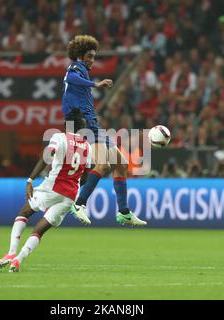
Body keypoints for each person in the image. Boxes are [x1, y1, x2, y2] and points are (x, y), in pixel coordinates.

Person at [62, 34, 147, 227]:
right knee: (103, 165)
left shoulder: (83, 69)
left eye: (94, 56)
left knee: (121, 163)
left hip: (93, 124)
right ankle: (79, 203)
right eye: (89, 56)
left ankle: (124, 212)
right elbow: (71, 77)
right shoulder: (76, 68)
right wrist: (96, 84)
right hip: (83, 124)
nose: (92, 60)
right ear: (80, 55)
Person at [0, 109, 92, 272]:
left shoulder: (59, 137)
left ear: (65, 125)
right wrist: (72, 184)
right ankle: (18, 261)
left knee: (23, 213)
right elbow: (86, 178)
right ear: (82, 127)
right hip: (69, 196)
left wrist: (30, 180)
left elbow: (46, 157)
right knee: (39, 231)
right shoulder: (87, 146)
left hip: (51, 188)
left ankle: (12, 253)